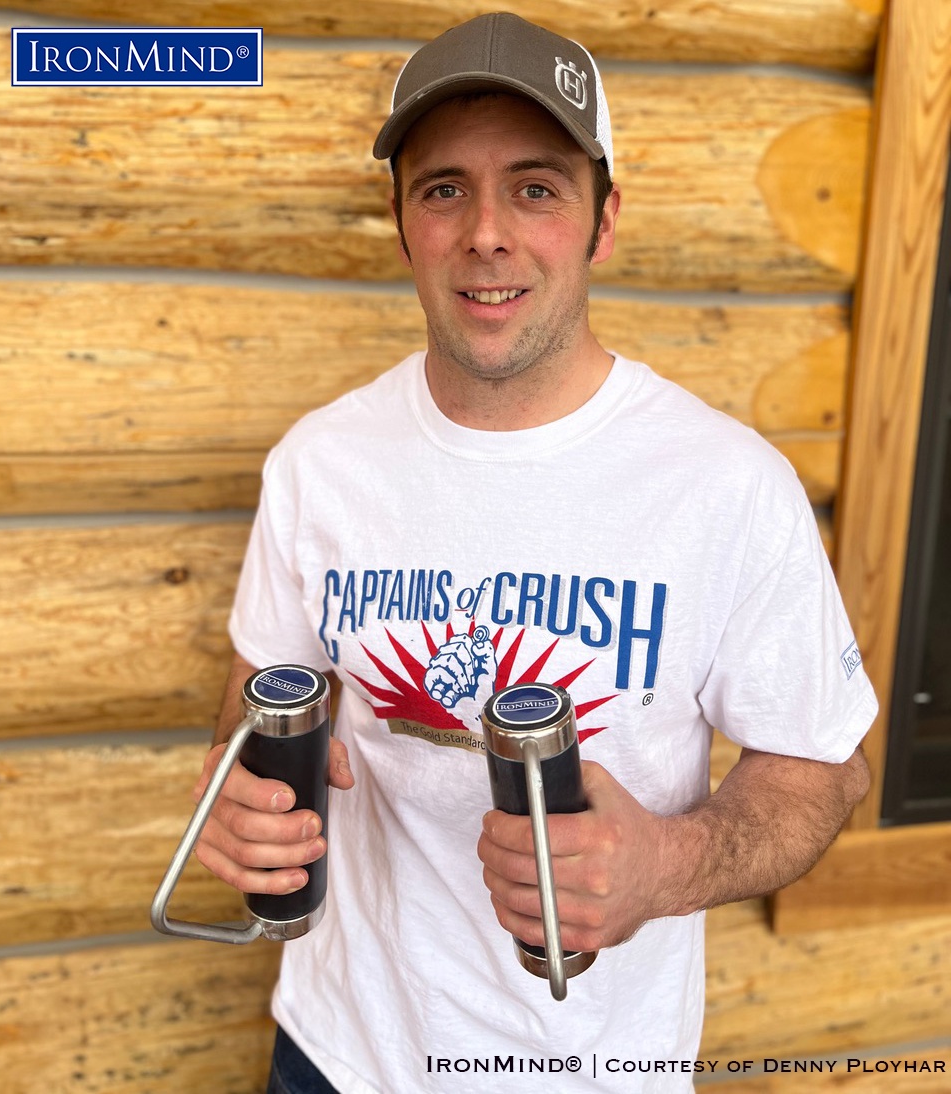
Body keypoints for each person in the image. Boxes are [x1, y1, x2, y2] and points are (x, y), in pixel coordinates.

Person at [192, 13, 878, 1093]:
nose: (487, 233)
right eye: (445, 188)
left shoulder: (726, 484)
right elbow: (256, 693)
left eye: (538, 187)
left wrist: (667, 863)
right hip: (336, 1053)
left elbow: (827, 767)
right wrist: (242, 789)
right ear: (401, 220)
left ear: (604, 222)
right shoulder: (318, 464)